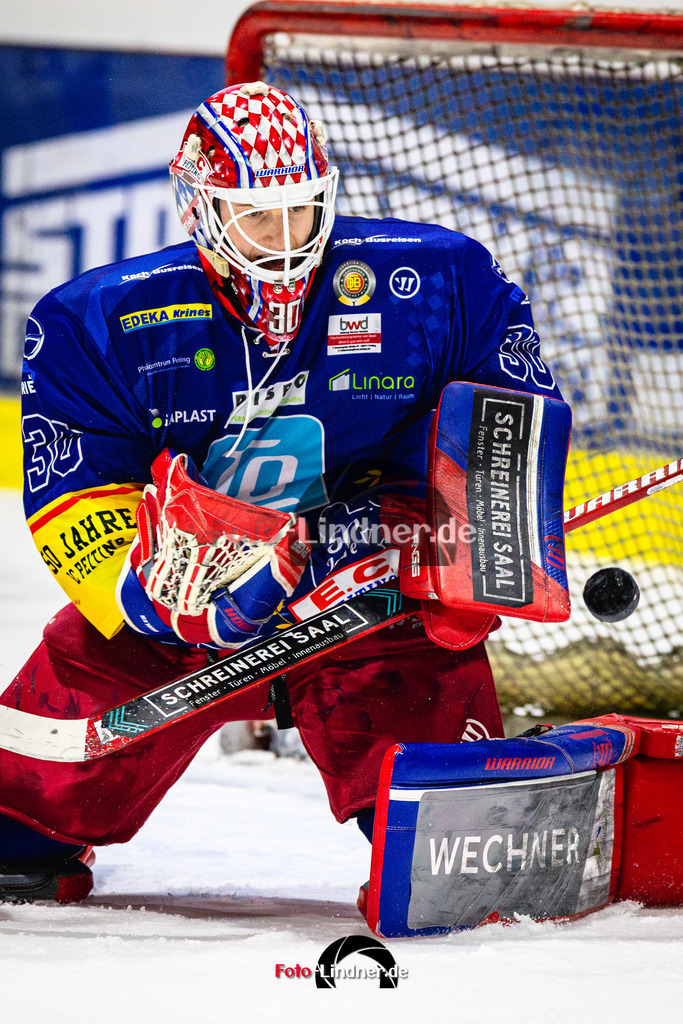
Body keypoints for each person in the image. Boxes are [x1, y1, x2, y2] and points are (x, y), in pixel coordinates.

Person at [0, 81, 564, 902]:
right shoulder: (97, 321)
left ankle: (440, 813)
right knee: (13, 824)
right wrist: (157, 600)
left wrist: (470, 553)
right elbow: (75, 497)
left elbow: (506, 426)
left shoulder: (439, 283)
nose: (287, 238)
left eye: (301, 209)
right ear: (199, 209)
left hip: (366, 595)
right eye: (256, 216)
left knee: (452, 852)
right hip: (191, 598)